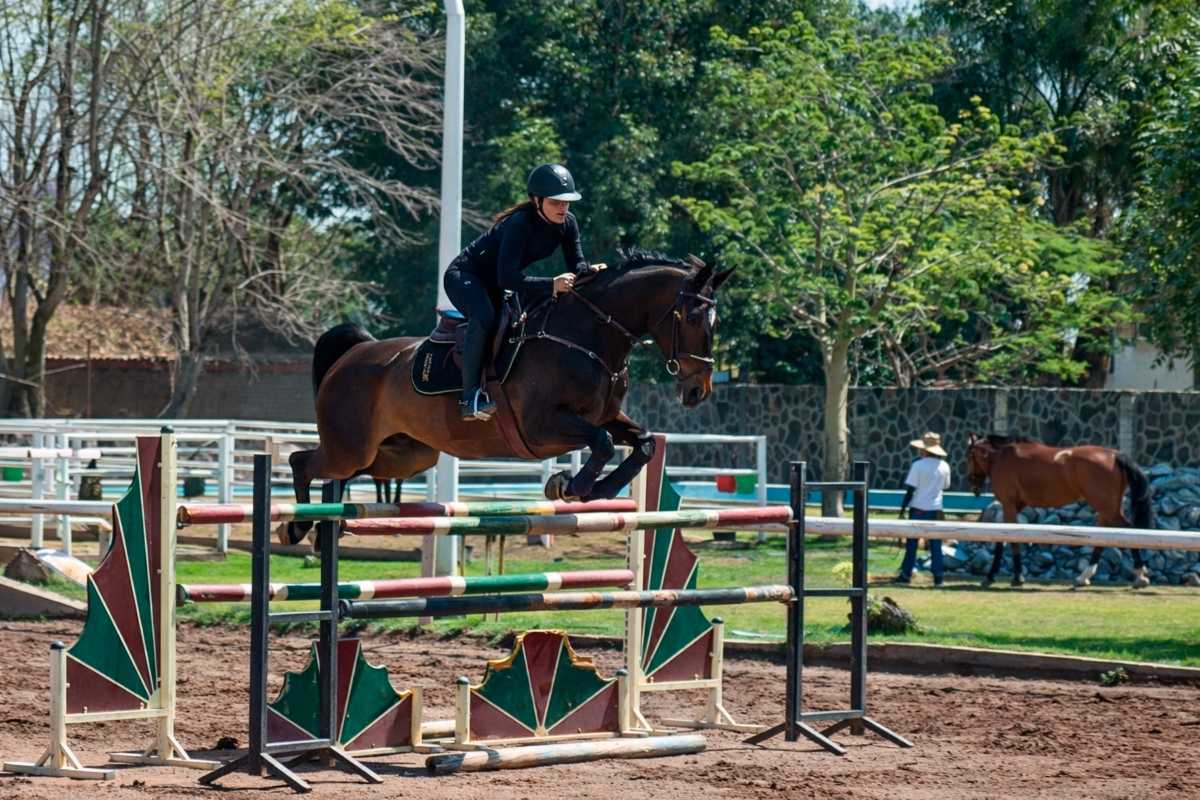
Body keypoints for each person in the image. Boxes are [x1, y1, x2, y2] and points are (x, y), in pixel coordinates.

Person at [443, 163, 601, 421]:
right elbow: (507, 276)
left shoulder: (568, 223)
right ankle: (469, 397)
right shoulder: (518, 224)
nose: (563, 208)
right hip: (465, 277)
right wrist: (551, 284)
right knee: (484, 317)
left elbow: (578, 266)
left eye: (566, 203)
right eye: (555, 202)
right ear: (536, 200)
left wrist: (592, 271)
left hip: (496, 282)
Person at [894, 431, 952, 586]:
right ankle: (938, 577)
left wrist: (902, 509)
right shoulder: (945, 466)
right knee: (936, 545)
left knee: (912, 543)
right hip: (937, 509)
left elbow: (910, 489)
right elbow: (946, 486)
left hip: (918, 508)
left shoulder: (918, 465)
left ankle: (906, 574)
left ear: (925, 450)